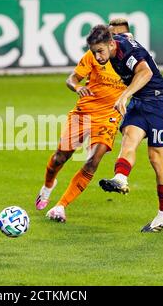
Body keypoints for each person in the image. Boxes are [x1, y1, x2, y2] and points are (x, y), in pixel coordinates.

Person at [85, 24, 163, 232]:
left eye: (100, 51)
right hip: (140, 102)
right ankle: (120, 178)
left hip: (159, 103)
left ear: (111, 44)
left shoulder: (128, 52)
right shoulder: (116, 42)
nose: (98, 57)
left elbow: (145, 72)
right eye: (94, 52)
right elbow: (126, 35)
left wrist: (124, 95)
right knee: (129, 139)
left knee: (156, 158)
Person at [35, 41, 126, 222]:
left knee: (93, 161)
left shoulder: (130, 61)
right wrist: (78, 87)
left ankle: (60, 206)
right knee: (60, 157)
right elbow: (72, 79)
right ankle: (47, 186)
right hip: (82, 114)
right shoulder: (94, 56)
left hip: (108, 118)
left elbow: (147, 83)